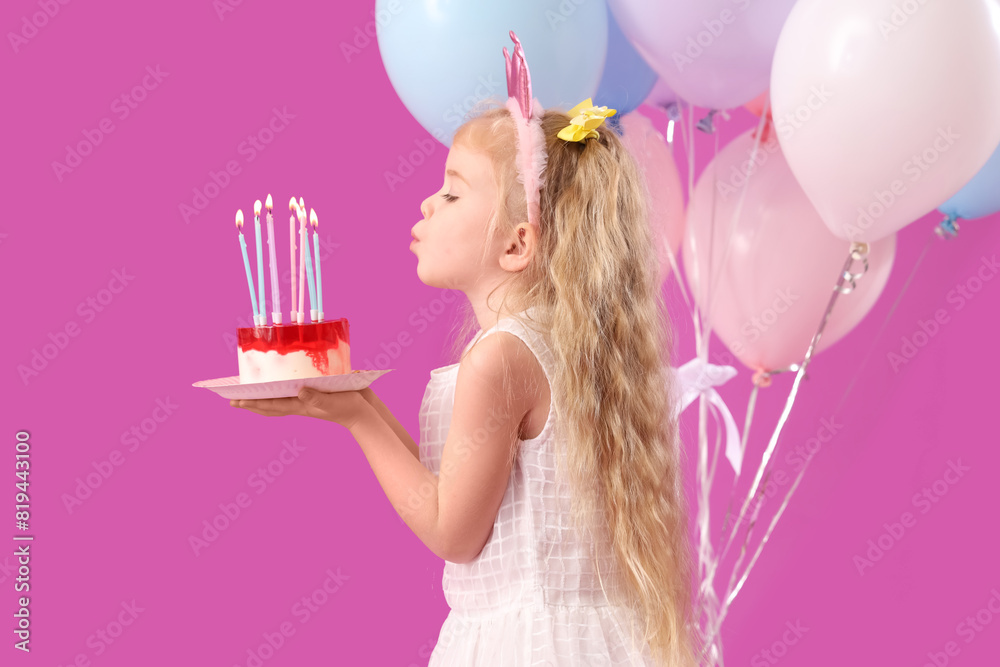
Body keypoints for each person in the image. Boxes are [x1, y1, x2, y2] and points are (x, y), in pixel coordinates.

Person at [232, 31, 705, 667]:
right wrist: (358, 398)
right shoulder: (564, 348)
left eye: (453, 192)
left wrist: (356, 420)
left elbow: (454, 531)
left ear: (516, 244)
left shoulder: (500, 359)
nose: (428, 201)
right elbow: (459, 489)